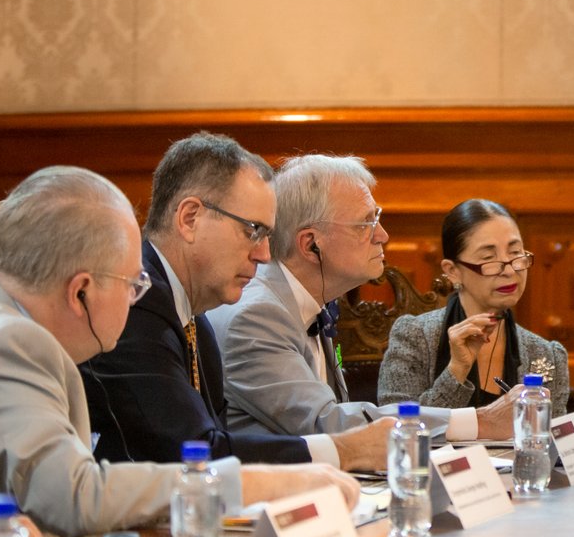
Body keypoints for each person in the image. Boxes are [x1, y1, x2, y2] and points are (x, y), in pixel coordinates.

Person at [0, 166, 359, 537]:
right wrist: (256, 483)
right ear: (81, 292)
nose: (137, 296)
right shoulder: (9, 343)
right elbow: (75, 496)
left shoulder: (0, 322)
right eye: (132, 283)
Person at [79, 132, 391, 471]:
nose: (264, 254)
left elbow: (212, 440)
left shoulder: (194, 316)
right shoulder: (134, 303)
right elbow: (196, 454)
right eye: (252, 231)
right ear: (190, 218)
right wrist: (342, 451)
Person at [205, 154, 517, 439]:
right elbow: (328, 423)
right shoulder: (256, 316)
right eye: (366, 223)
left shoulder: (313, 298)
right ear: (311, 244)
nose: (383, 235)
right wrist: (480, 421)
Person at [379, 198, 569, 414]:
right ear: (452, 271)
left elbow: (551, 440)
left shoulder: (546, 353)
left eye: (516, 253)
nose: (509, 271)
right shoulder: (414, 337)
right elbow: (397, 426)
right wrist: (457, 370)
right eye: (489, 258)